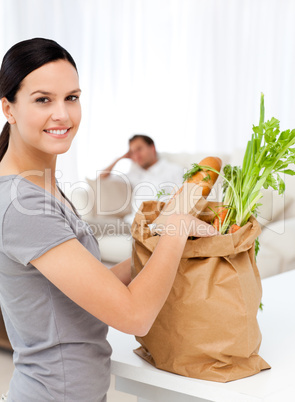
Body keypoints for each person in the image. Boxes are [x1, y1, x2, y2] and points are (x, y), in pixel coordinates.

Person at [0, 38, 218, 402]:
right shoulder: (21, 203)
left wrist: (151, 251)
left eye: (72, 97)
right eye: (43, 99)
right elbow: (135, 317)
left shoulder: (40, 187)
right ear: (9, 108)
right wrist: (176, 227)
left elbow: (83, 288)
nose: (63, 115)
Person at [100, 134, 184, 215]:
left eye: (139, 149)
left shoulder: (174, 170)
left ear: (152, 148)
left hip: (163, 222)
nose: (136, 155)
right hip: (134, 223)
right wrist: (119, 158)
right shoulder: (134, 174)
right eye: (132, 152)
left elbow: (182, 200)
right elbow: (102, 177)